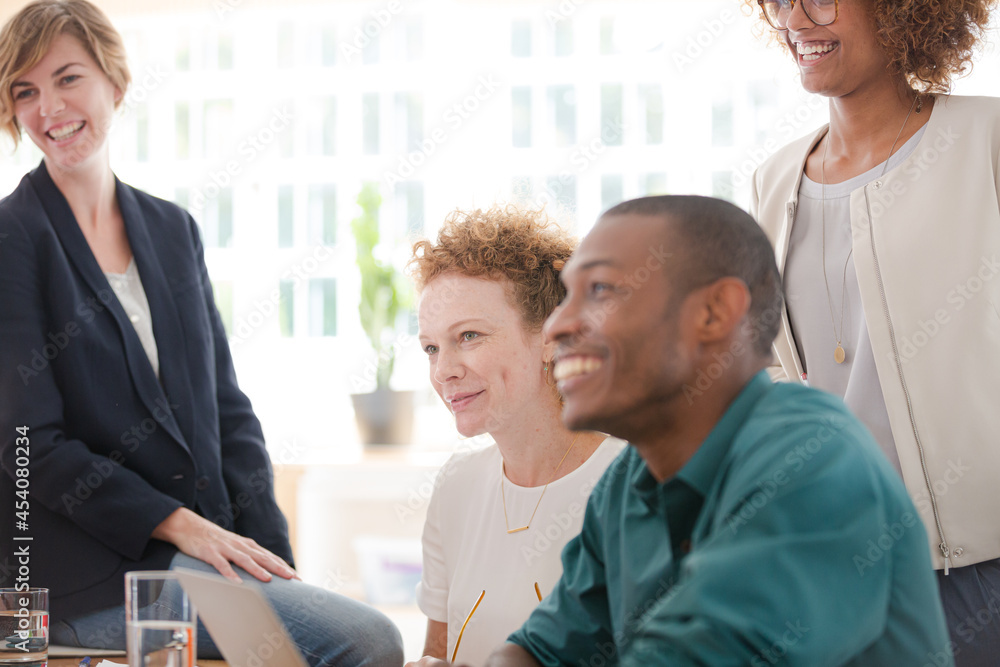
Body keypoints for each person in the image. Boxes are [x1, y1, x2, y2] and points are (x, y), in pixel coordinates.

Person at [0, 2, 402, 664]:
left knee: (327, 629)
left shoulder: (171, 230)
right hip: (91, 579)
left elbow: (227, 411)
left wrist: (272, 556)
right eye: (26, 90)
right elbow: (30, 448)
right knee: (366, 639)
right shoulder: (15, 238)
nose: (49, 107)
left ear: (115, 83)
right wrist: (179, 523)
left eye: (68, 78)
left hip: (191, 560)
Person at [415, 195, 953, 666]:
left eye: (599, 291)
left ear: (714, 314)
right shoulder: (630, 485)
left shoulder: (813, 462)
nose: (558, 325)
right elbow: (544, 649)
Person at [746, 1, 1000, 663]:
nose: (797, 17)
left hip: (980, 562)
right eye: (780, 1)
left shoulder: (986, 138)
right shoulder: (773, 181)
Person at [405, 206, 626, 665]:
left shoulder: (632, 487)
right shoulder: (457, 485)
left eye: (468, 336)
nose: (443, 370)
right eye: (431, 347)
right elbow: (438, 652)